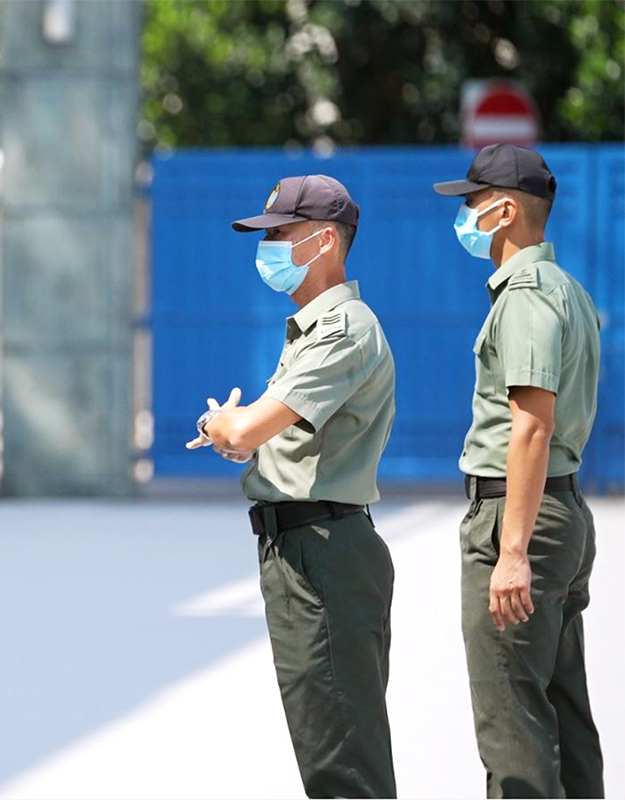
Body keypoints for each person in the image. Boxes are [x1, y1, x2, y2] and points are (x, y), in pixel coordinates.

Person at [187, 175, 397, 797]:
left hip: (324, 550)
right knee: (326, 741)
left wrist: (224, 423)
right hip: (303, 546)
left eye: (281, 234)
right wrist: (234, 433)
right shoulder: (311, 330)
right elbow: (263, 439)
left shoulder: (342, 330)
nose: (270, 246)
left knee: (342, 759)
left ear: (325, 240)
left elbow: (248, 427)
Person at [433, 144, 603, 798]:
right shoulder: (568, 290)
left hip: (519, 514)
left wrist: (510, 551)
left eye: (471, 203)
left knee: (513, 721)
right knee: (561, 712)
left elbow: (531, 425)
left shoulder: (527, 296)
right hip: (559, 510)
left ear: (504, 210)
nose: (466, 216)